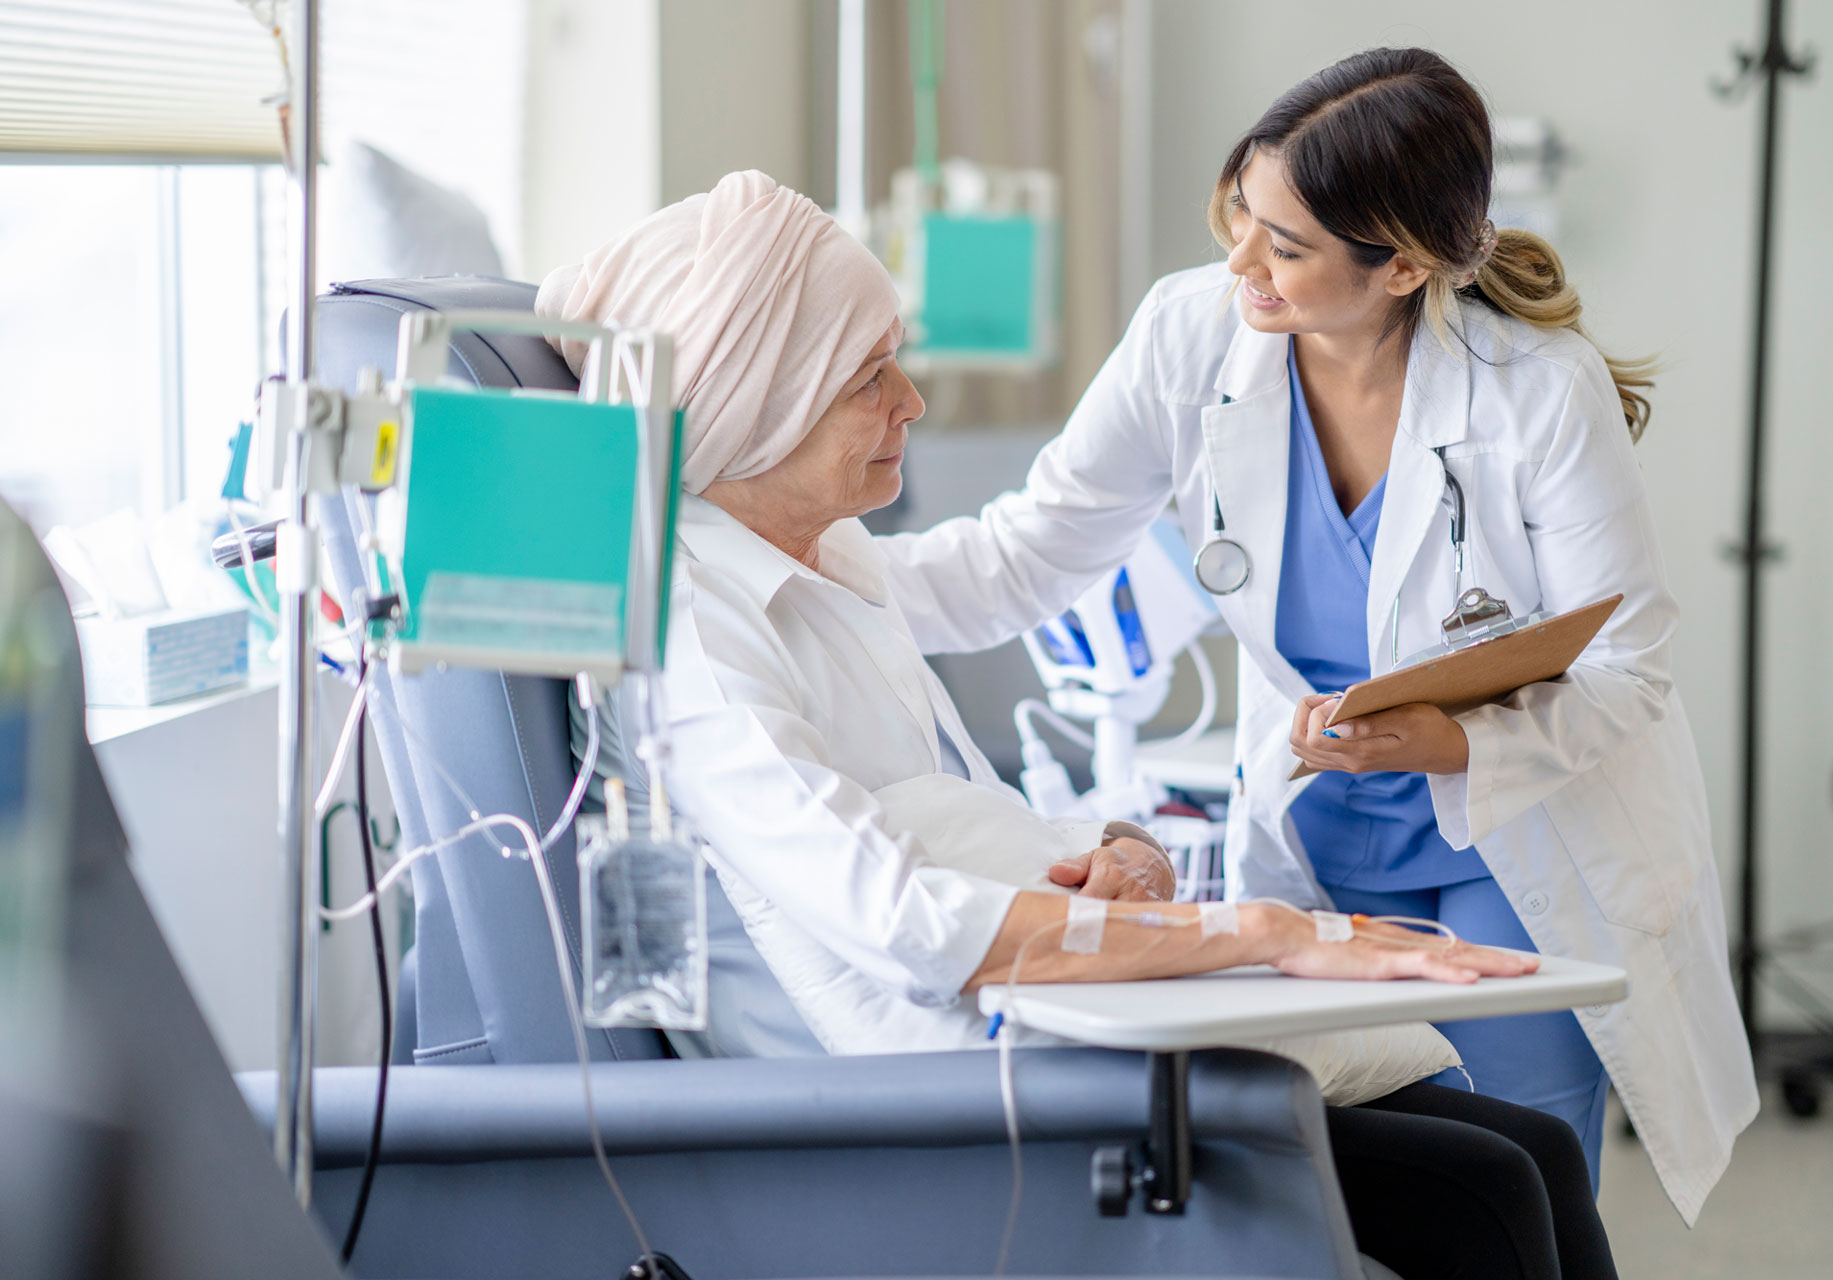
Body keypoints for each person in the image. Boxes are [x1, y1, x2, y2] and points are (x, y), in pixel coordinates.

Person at [538, 168, 1619, 1279]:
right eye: (870, 377)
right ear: (756, 408)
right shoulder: (691, 637)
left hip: (1051, 1032)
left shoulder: (836, 566)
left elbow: (969, 814)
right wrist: (1270, 933)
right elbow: (902, 916)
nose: (911, 401)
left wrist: (1117, 851)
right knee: (1487, 1191)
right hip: (944, 1103)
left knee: (1527, 1146)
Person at [877, 47, 1756, 1219]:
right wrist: (815, 581)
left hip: (1520, 828)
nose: (1241, 262)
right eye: (1241, 216)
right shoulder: (1192, 334)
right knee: (1351, 1172)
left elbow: (1629, 664)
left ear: (1399, 264)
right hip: (1326, 824)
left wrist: (1444, 741)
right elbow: (1029, 549)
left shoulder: (1538, 388)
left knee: (1526, 1171)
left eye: (1283, 246)